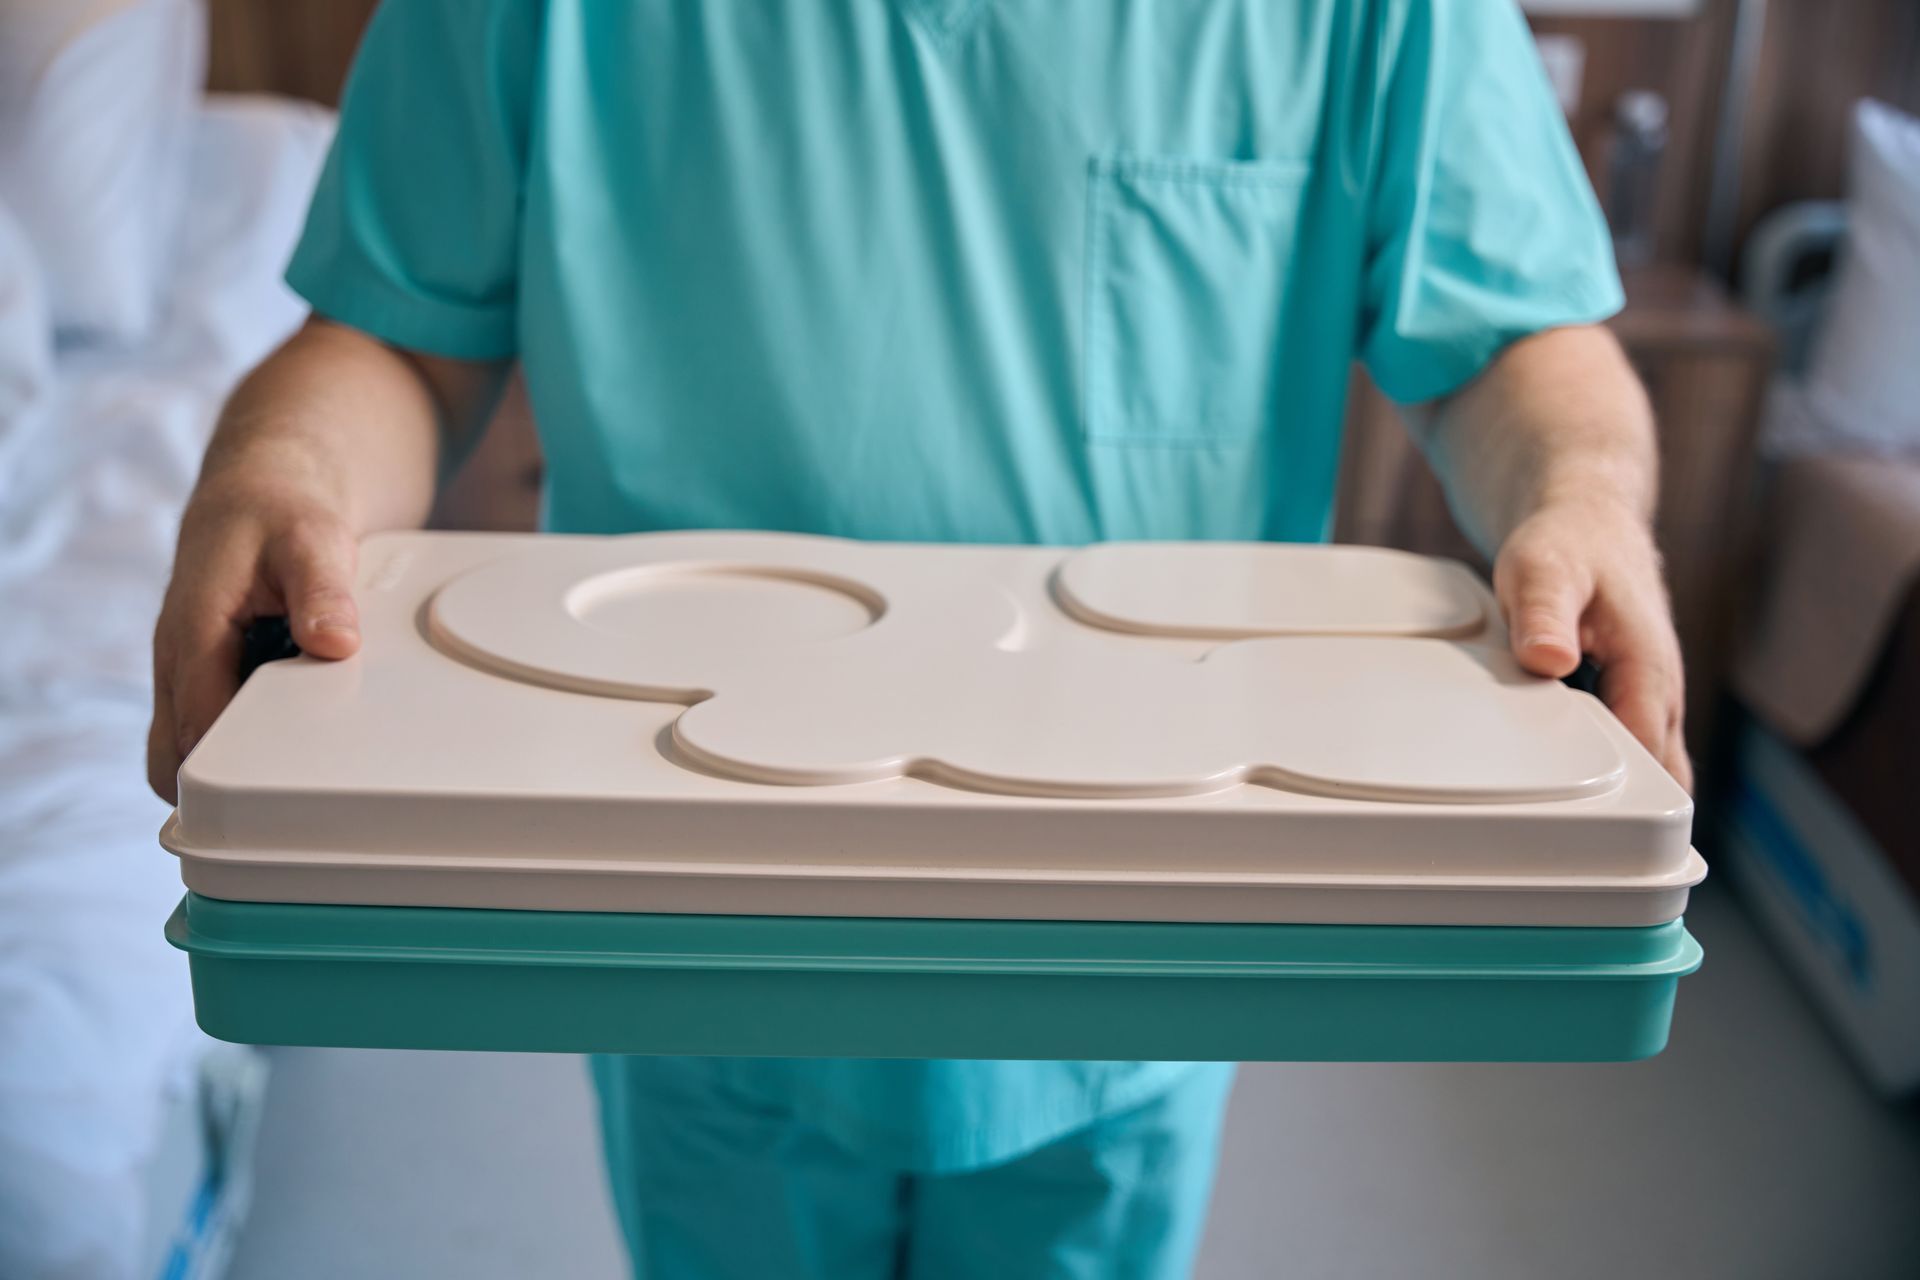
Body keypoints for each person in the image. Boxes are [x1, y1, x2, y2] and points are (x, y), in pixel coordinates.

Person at [148, 2, 1691, 1276]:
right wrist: (281, 472)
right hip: (691, 937)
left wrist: (1581, 497)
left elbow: (1509, 339)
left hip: (1128, 959)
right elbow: (398, 338)